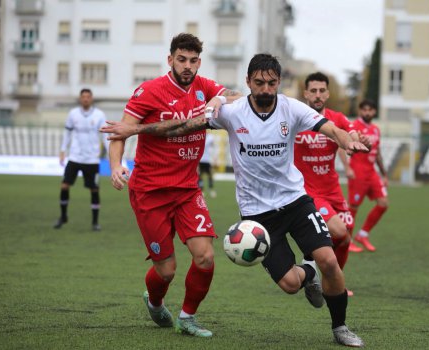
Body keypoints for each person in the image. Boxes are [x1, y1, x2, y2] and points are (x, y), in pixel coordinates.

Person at [101, 53, 367, 347]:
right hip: (258, 215)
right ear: (248, 82)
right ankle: (308, 274)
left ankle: (340, 327)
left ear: (279, 82)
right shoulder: (232, 112)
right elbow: (183, 127)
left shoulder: (292, 109)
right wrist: (134, 130)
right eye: (259, 83)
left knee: (329, 260)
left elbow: (331, 129)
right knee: (291, 284)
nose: (265, 89)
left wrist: (347, 140)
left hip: (296, 200)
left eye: (271, 83)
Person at [105, 33, 241, 337]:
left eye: (193, 61)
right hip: (149, 191)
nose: (187, 66)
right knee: (166, 270)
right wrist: (116, 166)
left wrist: (220, 97)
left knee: (205, 256)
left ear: (199, 62)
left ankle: (187, 317)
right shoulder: (149, 91)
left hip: (187, 189)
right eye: (182, 59)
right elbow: (121, 132)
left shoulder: (204, 87)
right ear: (170, 60)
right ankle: (154, 301)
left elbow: (238, 96)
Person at [294, 72, 369, 297]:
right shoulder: (296, 117)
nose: (317, 95)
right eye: (313, 91)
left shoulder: (336, 118)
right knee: (337, 231)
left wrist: (357, 140)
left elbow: (351, 131)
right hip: (308, 191)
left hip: (333, 190)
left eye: (321, 91)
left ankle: (333, 283)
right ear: (306, 93)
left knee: (345, 238)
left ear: (327, 93)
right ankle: (312, 266)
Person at [54, 88, 109, 232]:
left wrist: (111, 153)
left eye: (88, 96)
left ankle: (95, 222)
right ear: (80, 99)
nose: (85, 99)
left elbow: (105, 136)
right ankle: (63, 216)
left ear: (92, 99)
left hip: (91, 159)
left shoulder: (99, 115)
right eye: (83, 96)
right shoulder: (73, 114)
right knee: (64, 186)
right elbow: (67, 133)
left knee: (94, 189)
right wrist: (62, 150)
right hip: (75, 157)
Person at [347, 99, 389, 253]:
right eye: (364, 109)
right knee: (353, 206)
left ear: (374, 112)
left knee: (383, 203)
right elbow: (342, 146)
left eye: (370, 110)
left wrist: (384, 175)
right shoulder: (354, 127)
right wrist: (347, 168)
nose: (367, 112)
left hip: (372, 172)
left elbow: (377, 153)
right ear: (360, 111)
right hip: (358, 170)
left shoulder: (376, 130)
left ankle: (363, 234)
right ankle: (347, 240)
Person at [198, 132, 217, 198]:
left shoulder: (210, 137)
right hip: (200, 159)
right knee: (200, 176)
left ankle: (211, 189)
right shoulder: (200, 136)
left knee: (210, 175)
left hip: (207, 159)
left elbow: (213, 146)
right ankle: (201, 190)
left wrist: (214, 157)